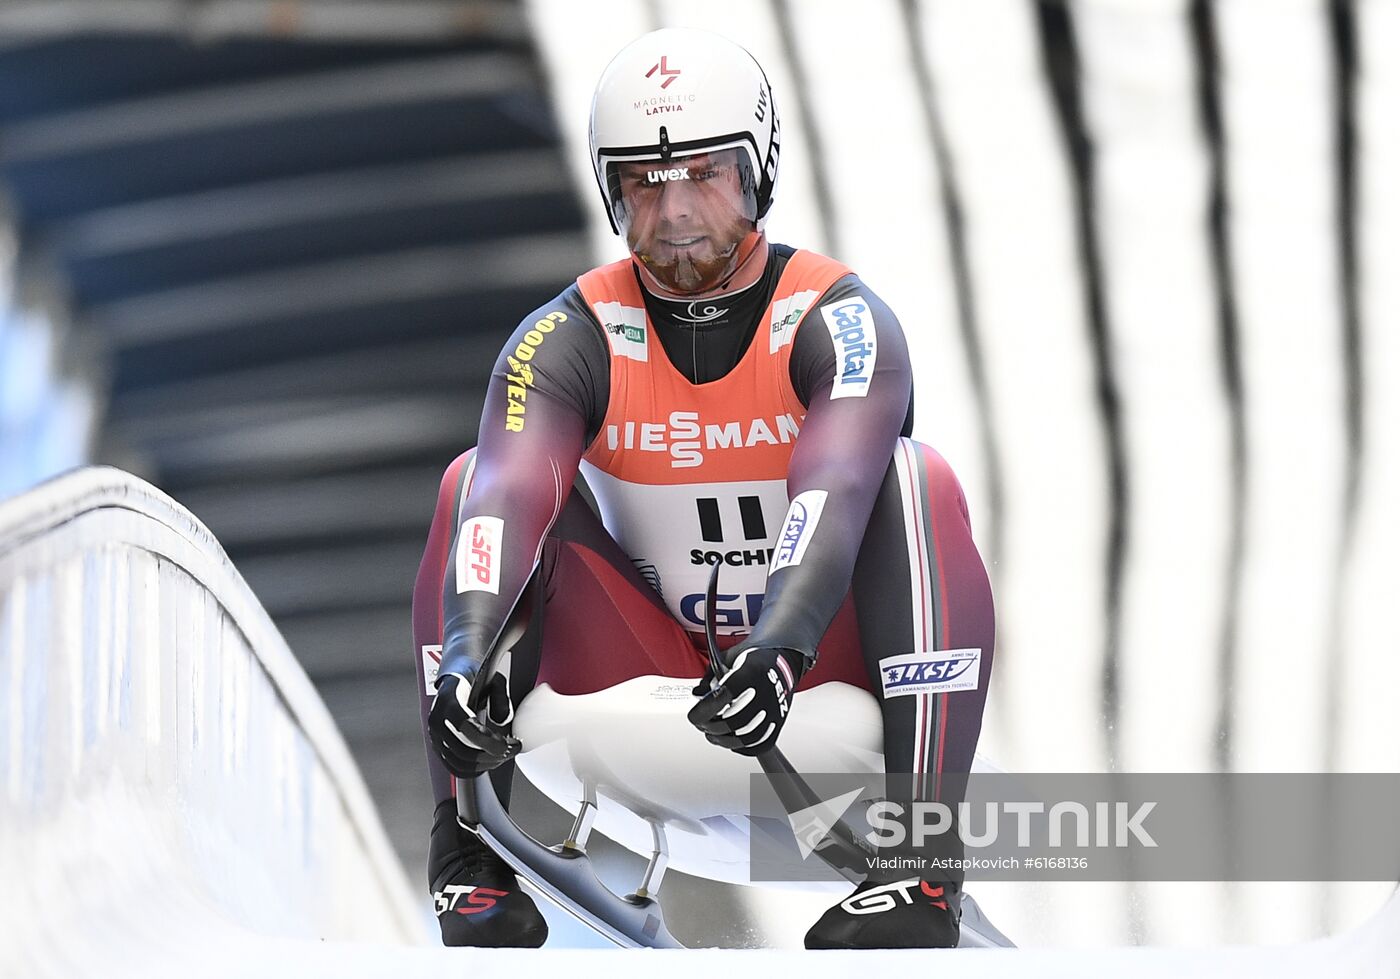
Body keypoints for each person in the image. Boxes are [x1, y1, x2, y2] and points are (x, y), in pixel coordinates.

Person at [411, 26, 995, 950]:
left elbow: (838, 482)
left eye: (704, 176)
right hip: (650, 682)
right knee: (470, 481)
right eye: (645, 182)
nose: (676, 210)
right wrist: (464, 653)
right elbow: (510, 489)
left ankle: (923, 859)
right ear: (611, 193)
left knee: (915, 480)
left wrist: (779, 644)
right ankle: (463, 848)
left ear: (758, 170)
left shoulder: (838, 316)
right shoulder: (571, 333)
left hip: (813, 691)